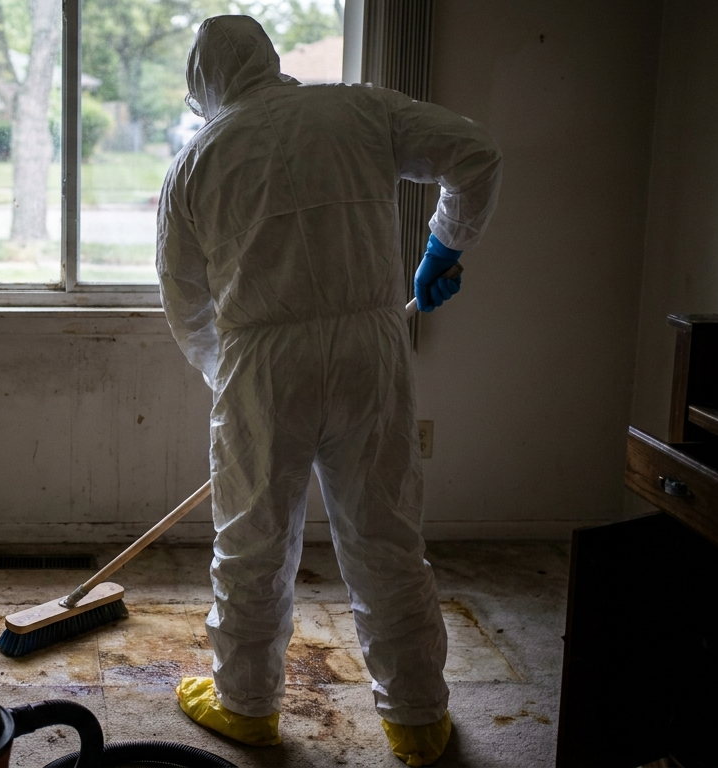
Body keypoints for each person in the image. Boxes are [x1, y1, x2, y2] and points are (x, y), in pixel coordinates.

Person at [157, 16, 501, 767]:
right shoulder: (359, 109)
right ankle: (417, 719)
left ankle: (245, 705)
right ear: (269, 61)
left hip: (261, 359)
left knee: (253, 539)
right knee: (385, 534)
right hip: (369, 352)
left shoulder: (197, 161)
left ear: (203, 86)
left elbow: (184, 303)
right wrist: (446, 245)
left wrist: (234, 381)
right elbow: (475, 155)